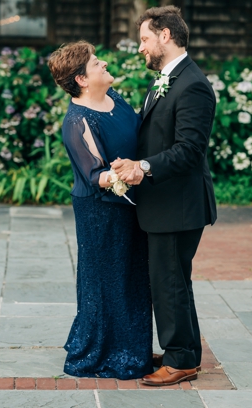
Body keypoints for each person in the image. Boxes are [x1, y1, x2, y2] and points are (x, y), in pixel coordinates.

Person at [112, 6, 217, 386]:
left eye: (144, 39)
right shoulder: (167, 79)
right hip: (165, 203)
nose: (140, 47)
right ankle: (183, 352)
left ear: (165, 36)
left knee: (169, 282)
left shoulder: (193, 85)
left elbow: (190, 150)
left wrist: (143, 168)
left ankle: (181, 361)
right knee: (173, 281)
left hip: (180, 204)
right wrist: (134, 161)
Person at [47, 41, 153, 380]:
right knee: (105, 278)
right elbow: (95, 174)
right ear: (81, 79)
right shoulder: (77, 120)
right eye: (95, 63)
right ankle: (100, 351)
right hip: (100, 211)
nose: (103, 63)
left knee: (132, 275)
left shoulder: (116, 100)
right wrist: (124, 172)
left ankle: (132, 347)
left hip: (131, 204)